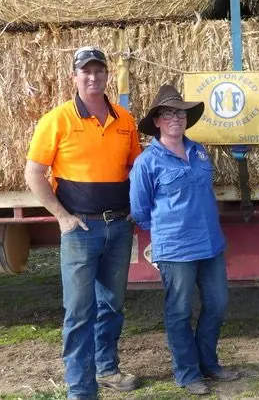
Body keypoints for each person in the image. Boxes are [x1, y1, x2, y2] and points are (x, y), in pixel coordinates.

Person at [24, 46, 142, 400]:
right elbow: (34, 173)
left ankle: (107, 368)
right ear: (73, 77)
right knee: (78, 311)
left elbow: (136, 169)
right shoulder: (57, 120)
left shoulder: (125, 120)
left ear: (107, 75)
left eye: (98, 71)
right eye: (85, 71)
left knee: (112, 305)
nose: (93, 77)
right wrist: (62, 217)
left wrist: (136, 208)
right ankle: (80, 388)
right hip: (81, 231)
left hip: (119, 228)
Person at [129, 84, 240, 396]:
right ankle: (187, 373)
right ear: (158, 122)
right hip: (176, 250)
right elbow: (139, 209)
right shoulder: (147, 162)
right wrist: (168, 232)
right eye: (168, 114)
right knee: (179, 311)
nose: (175, 118)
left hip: (210, 244)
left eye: (179, 112)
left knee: (217, 304)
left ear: (186, 119)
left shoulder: (199, 151)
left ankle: (209, 364)